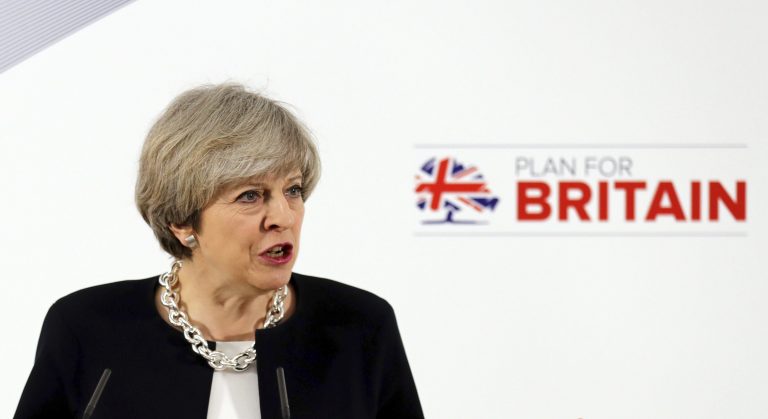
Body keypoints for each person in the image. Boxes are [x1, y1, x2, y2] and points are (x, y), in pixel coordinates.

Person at [15, 84, 423, 419]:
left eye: (293, 190)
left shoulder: (360, 328)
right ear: (182, 221)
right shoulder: (86, 328)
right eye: (250, 196)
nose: (283, 216)